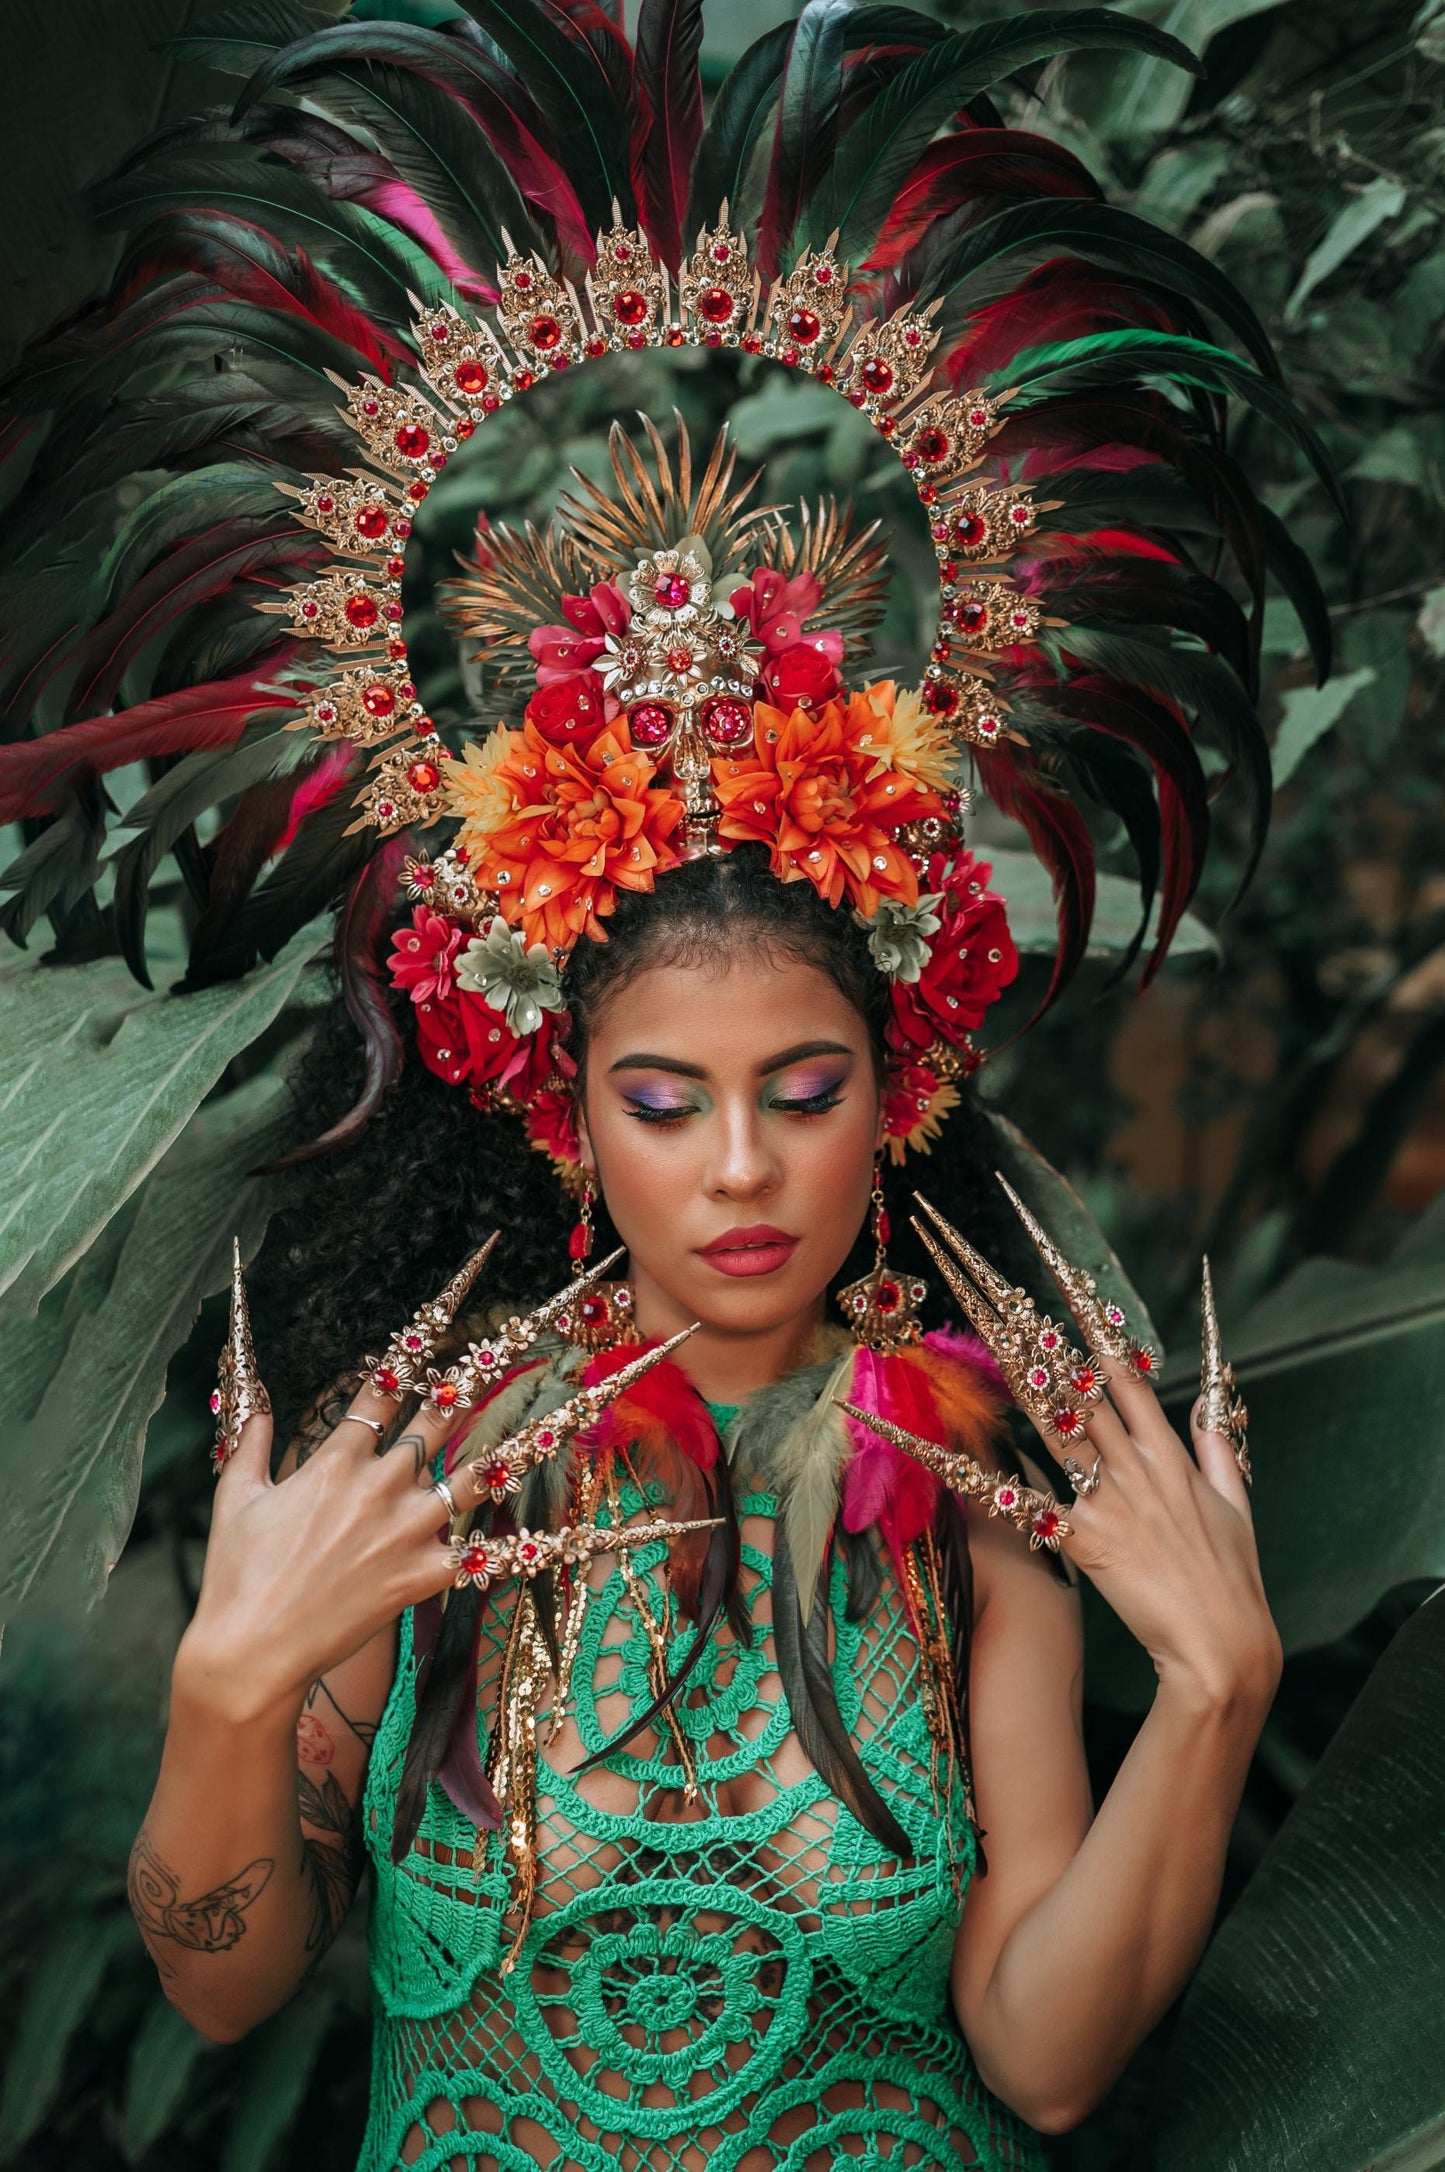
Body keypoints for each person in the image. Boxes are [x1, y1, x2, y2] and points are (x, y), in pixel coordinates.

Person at [0, 1, 1317, 2163]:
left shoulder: (982, 1490)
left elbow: (1047, 2055)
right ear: (554, 1101)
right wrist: (234, 1694)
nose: (738, 1170)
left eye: (800, 1091)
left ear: (897, 1093)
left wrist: (1217, 1693)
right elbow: (219, 1978)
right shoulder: (407, 1473)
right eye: (664, 1099)